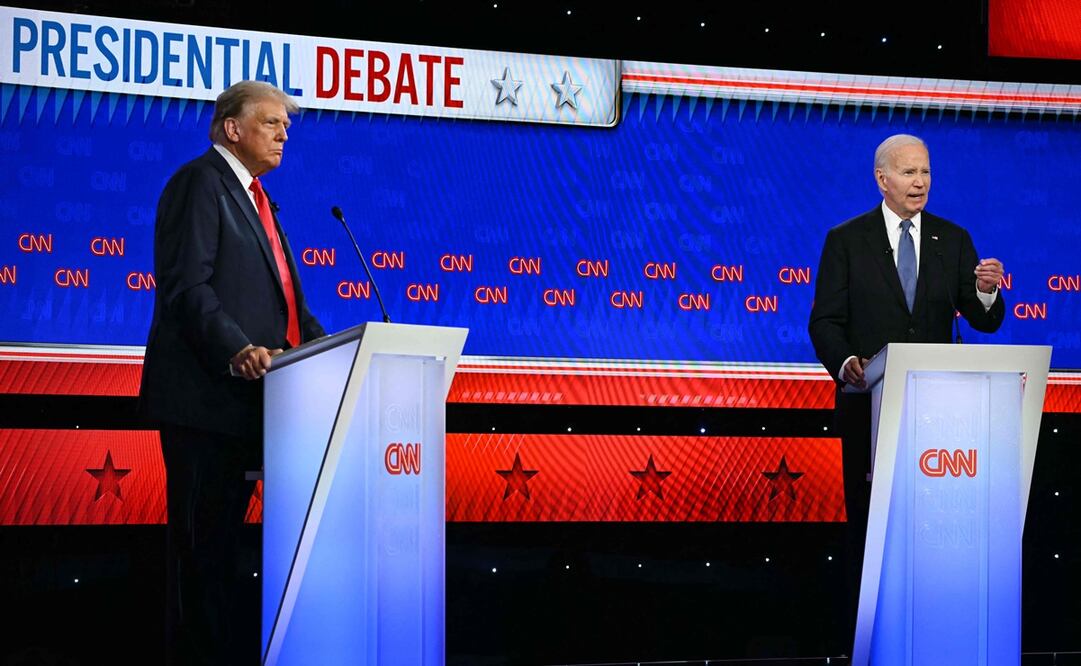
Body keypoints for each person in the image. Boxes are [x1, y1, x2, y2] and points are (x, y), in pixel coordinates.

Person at [139, 80, 325, 665]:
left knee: (225, 556)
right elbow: (186, 287)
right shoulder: (200, 183)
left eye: (286, 126)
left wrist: (338, 348)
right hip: (205, 405)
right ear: (232, 129)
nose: (283, 134)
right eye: (271, 123)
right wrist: (237, 347)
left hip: (253, 406)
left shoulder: (260, 200)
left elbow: (288, 307)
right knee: (201, 557)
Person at [807, 133, 1005, 654]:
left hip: (939, 421)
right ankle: (870, 642)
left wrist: (985, 291)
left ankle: (935, 636)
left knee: (931, 533)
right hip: (867, 411)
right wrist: (847, 365)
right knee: (871, 530)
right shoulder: (846, 240)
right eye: (909, 172)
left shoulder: (952, 239)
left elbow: (983, 319)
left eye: (926, 172)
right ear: (883, 180)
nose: (920, 182)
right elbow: (824, 322)